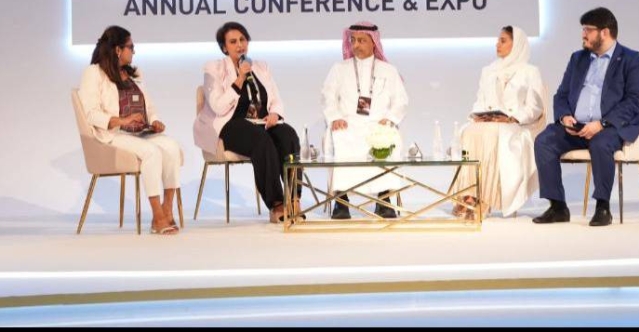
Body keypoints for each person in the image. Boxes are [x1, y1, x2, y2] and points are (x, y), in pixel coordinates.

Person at [533, 7, 639, 227]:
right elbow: (562, 94)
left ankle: (603, 207)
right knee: (544, 141)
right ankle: (558, 207)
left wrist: (602, 124)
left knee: (601, 143)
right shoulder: (578, 59)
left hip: (609, 127)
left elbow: (635, 101)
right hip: (576, 127)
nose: (583, 34)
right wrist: (564, 117)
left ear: (604, 32)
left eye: (588, 30)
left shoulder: (633, 60)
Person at [77, 25, 184, 235]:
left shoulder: (134, 73)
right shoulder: (94, 73)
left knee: (171, 147)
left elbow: (149, 107)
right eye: (131, 47)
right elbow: (90, 113)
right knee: (151, 152)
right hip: (113, 134)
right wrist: (122, 120)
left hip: (141, 132)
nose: (134, 51)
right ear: (118, 49)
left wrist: (155, 121)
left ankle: (167, 209)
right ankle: (157, 216)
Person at [193, 21, 301, 223]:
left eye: (242, 40)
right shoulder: (214, 68)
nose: (239, 45)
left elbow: (276, 98)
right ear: (224, 47)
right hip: (230, 125)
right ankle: (277, 203)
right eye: (233, 42)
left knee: (288, 135)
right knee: (260, 140)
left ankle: (294, 199)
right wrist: (240, 78)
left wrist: (275, 114)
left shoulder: (261, 66)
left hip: (262, 122)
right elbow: (218, 106)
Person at [453, 25, 546, 219]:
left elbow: (535, 107)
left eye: (503, 41)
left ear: (516, 44)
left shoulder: (530, 71)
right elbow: (479, 100)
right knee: (469, 131)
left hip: (515, 125)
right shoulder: (488, 70)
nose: (497, 44)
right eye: (498, 40)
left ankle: (486, 198)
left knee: (492, 134)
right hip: (490, 121)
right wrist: (480, 115)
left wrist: (513, 117)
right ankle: (469, 193)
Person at [320, 21, 410, 219]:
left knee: (387, 138)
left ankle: (384, 199)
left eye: (361, 41)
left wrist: (390, 119)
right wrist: (335, 117)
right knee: (341, 137)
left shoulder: (388, 70)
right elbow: (327, 96)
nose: (356, 45)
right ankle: (341, 200)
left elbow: (401, 100)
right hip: (347, 123)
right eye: (353, 40)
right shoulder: (339, 68)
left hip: (378, 123)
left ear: (373, 42)